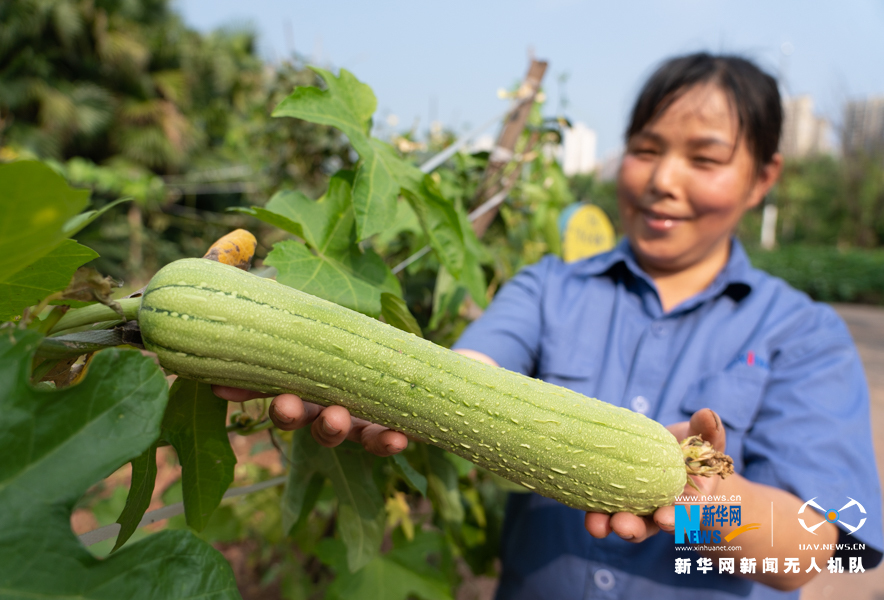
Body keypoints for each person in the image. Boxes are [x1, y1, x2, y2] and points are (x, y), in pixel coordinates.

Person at [215, 52, 883, 599]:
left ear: (763, 177)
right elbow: (465, 379)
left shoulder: (804, 332)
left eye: (704, 160)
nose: (664, 182)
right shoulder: (548, 287)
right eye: (647, 150)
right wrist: (374, 390)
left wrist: (700, 501)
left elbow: (819, 551)